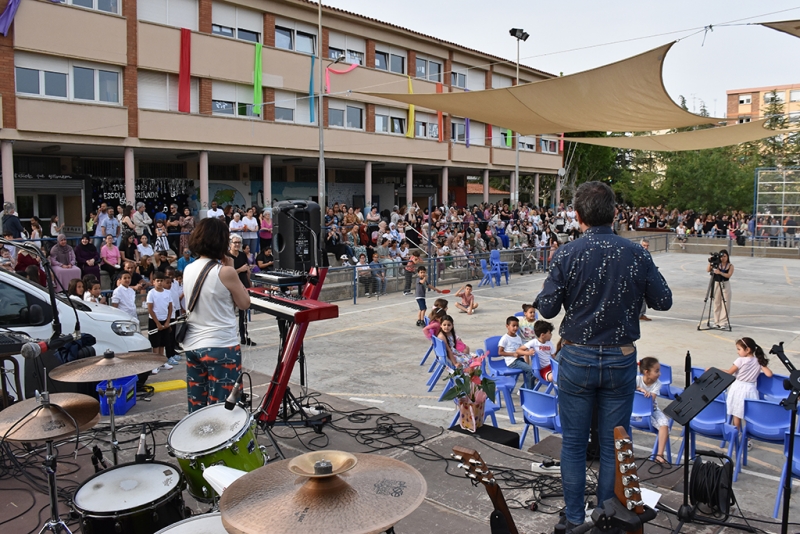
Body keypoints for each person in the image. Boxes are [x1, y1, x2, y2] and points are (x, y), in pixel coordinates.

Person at [533, 181, 673, 531]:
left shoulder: (567, 253)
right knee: (614, 445)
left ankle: (576, 520)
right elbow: (663, 300)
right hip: (620, 359)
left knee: (575, 445)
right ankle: (608, 518)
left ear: (578, 216)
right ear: (614, 214)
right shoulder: (637, 252)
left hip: (577, 358)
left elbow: (547, 309)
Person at [182, 218, 251, 412]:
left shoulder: (188, 268)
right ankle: (220, 442)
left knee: (197, 405)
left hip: (194, 345)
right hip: (221, 345)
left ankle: (199, 440)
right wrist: (230, 266)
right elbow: (245, 303)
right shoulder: (226, 272)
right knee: (224, 407)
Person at [722, 337, 772, 433]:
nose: (738, 352)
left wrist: (713, 369)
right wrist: (762, 364)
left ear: (747, 350)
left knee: (736, 413)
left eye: (739, 349)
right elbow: (769, 374)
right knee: (748, 415)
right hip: (750, 389)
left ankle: (736, 434)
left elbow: (729, 372)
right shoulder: (758, 361)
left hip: (738, 388)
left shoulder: (740, 360)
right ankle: (748, 437)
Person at [635, 357, 670, 464]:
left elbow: (651, 401)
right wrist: (640, 389)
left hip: (652, 410)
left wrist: (645, 393)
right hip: (636, 412)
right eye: (656, 371)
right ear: (646, 372)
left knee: (664, 424)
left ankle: (659, 455)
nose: (659, 374)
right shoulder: (637, 380)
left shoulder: (657, 384)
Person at [228, 235, 255, 346]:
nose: (237, 244)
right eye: (235, 242)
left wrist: (250, 284)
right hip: (231, 286)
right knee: (230, 313)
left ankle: (244, 336)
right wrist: (240, 270)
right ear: (230, 243)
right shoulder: (227, 257)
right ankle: (230, 338)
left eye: (239, 242)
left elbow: (247, 270)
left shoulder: (243, 255)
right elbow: (228, 273)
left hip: (243, 285)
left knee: (243, 312)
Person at [497, 316, 537, 389]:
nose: (515, 328)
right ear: (507, 326)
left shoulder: (518, 338)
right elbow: (500, 352)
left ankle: (524, 388)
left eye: (517, 326)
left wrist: (526, 353)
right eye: (513, 326)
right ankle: (529, 391)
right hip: (512, 361)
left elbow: (521, 350)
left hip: (519, 360)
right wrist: (513, 354)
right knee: (531, 371)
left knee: (535, 372)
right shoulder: (504, 338)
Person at [147, 272, 174, 373]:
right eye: (157, 281)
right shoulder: (151, 293)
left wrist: (167, 321)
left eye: (161, 281)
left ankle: (162, 362)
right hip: (155, 321)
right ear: (153, 282)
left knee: (163, 342)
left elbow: (170, 307)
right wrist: (157, 323)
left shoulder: (167, 293)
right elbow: (150, 309)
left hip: (164, 320)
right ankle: (155, 364)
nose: (159, 282)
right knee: (156, 344)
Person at [706, 250, 733, 328]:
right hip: (716, 283)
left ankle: (723, 322)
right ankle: (716, 321)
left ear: (727, 257)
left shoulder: (730, 266)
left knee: (726, 303)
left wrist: (720, 272)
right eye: (721, 256)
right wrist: (711, 262)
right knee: (716, 303)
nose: (723, 258)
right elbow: (708, 270)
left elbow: (728, 275)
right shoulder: (717, 264)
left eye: (725, 256)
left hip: (725, 283)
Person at [639, 239, 652, 321]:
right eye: (644, 245)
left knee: (643, 297)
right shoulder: (636, 253)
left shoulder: (648, 254)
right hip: (638, 277)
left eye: (647, 246)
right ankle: (640, 314)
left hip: (645, 278)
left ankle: (641, 314)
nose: (646, 247)